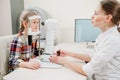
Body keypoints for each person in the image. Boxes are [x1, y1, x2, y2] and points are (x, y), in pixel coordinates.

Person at [50, 0, 120, 80]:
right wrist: (69, 54)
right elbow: (92, 57)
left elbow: (86, 71)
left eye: (96, 13)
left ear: (108, 18)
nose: (92, 17)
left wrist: (63, 61)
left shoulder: (112, 40)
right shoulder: (104, 35)